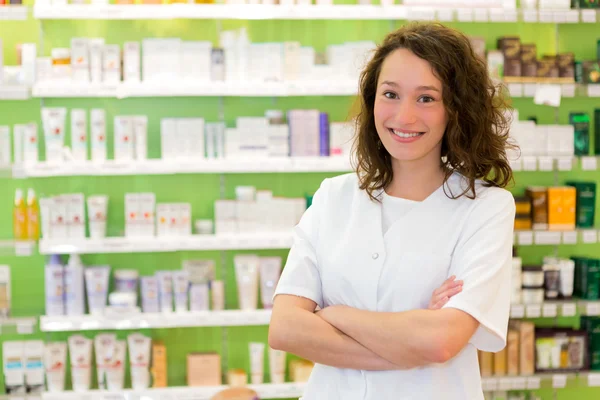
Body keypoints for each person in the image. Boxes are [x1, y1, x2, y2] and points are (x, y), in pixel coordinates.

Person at [268, 22, 517, 400]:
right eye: (390, 94)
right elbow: (285, 329)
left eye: (426, 98)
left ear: (457, 109)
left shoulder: (485, 208)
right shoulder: (334, 196)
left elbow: (440, 342)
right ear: (372, 101)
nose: (404, 117)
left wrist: (333, 315)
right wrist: (409, 344)